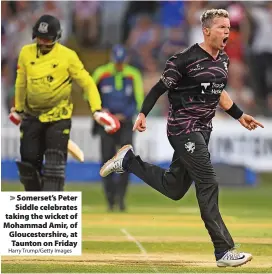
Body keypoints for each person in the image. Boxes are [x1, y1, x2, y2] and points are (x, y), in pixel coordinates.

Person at [99, 9, 264, 267]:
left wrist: (239, 115)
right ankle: (223, 251)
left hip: (203, 130)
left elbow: (219, 94)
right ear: (206, 31)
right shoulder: (184, 60)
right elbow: (158, 88)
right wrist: (142, 113)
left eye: (229, 28)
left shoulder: (223, 60)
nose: (227, 32)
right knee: (207, 181)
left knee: (174, 188)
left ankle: (128, 161)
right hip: (182, 128)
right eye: (221, 27)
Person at [12, 14, 120, 192]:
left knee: (55, 166)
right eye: (40, 38)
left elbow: (87, 82)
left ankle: (53, 210)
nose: (43, 42)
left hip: (58, 118)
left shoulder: (67, 56)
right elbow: (21, 82)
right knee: (28, 166)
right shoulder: (26, 53)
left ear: (56, 38)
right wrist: (18, 109)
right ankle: (35, 208)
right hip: (32, 117)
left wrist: (97, 109)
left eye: (47, 39)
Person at [92, 44, 144, 211]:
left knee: (126, 160)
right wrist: (101, 110)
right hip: (106, 124)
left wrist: (126, 115)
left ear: (126, 60)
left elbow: (139, 99)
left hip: (126, 123)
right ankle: (110, 199)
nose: (119, 65)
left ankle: (121, 198)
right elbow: (90, 94)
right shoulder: (101, 73)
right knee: (106, 160)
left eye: (122, 62)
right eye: (117, 62)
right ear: (112, 59)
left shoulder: (133, 74)